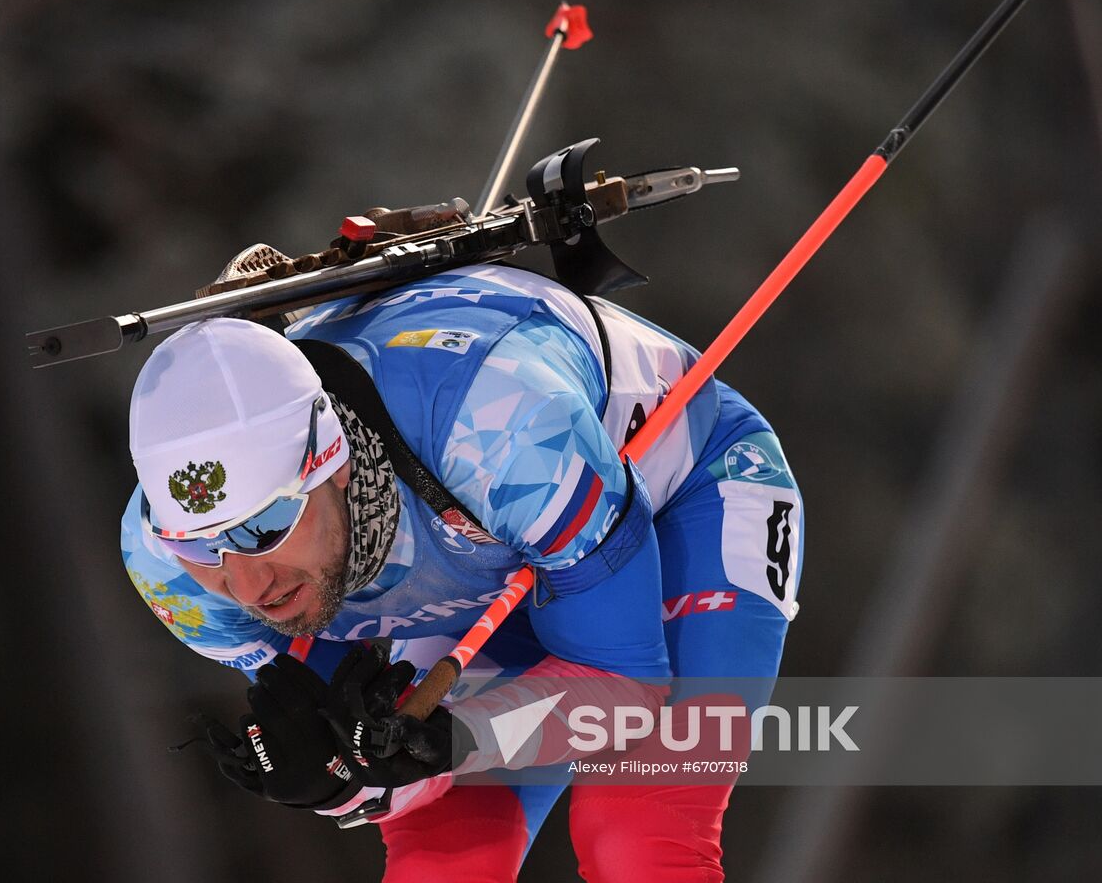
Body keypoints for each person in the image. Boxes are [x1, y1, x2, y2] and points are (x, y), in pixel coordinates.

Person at [121, 263, 804, 881]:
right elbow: (373, 758)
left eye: (264, 528)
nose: (247, 586)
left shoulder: (501, 430)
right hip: (494, 565)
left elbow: (625, 687)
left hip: (689, 495)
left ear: (334, 463)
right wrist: (341, 777)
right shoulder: (165, 572)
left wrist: (460, 739)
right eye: (200, 546)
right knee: (443, 863)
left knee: (635, 839)